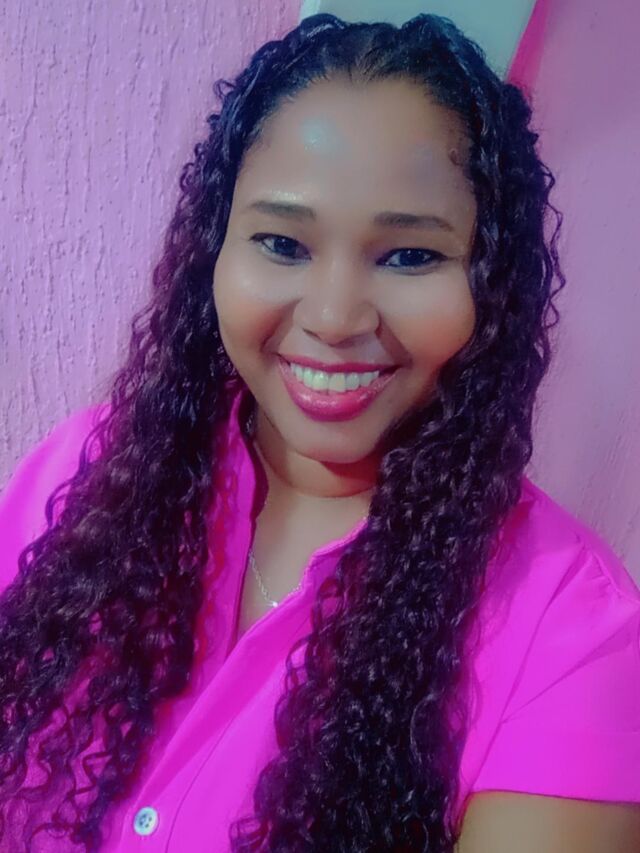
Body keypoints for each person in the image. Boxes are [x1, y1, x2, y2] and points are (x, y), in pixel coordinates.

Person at [0, 11, 639, 853]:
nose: (335, 318)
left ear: (492, 282)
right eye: (281, 242)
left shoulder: (571, 630)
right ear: (215, 250)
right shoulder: (85, 473)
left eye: (410, 256)